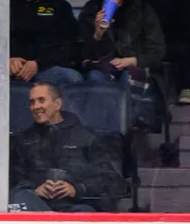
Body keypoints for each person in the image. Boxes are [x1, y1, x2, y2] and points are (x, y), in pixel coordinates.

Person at [12, 80, 127, 212]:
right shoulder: (23, 140)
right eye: (32, 102)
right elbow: (15, 178)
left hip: (78, 210)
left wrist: (77, 189)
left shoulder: (88, 138)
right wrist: (35, 190)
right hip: (35, 209)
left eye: (41, 100)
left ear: (57, 104)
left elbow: (112, 180)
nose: (35, 106)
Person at [77, 0, 164, 93]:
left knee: (130, 76)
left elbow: (157, 52)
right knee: (96, 78)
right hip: (104, 68)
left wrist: (133, 60)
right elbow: (81, 56)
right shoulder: (91, 11)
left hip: (135, 67)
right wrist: (97, 35)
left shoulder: (142, 10)